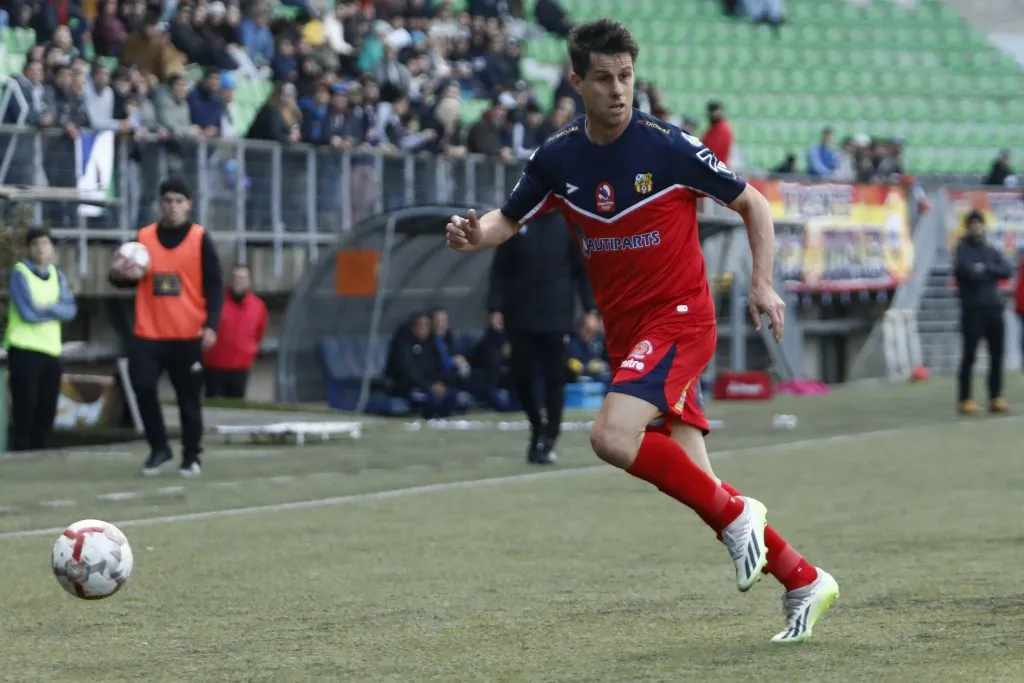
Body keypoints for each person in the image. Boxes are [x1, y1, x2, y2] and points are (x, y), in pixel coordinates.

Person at [445, 18, 837, 643]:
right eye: (603, 79)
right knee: (700, 483)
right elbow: (505, 219)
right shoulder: (556, 159)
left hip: (681, 320)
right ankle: (804, 578)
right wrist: (475, 235)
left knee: (610, 437)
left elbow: (753, 203)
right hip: (630, 337)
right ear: (576, 82)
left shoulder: (669, 146)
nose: (618, 90)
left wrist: (763, 283)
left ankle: (741, 519)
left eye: (625, 77)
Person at [110, 177, 224, 477]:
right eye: (167, 201)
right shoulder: (144, 237)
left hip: (187, 334)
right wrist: (120, 273)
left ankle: (191, 456)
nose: (172, 207)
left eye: (178, 201)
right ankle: (159, 448)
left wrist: (211, 324)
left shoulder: (200, 238)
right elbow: (124, 281)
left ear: (189, 205)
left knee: (188, 400)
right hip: (149, 332)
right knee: (143, 387)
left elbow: (214, 285)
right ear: (160, 204)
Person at [487, 210, 599, 464]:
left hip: (556, 317)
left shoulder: (568, 224)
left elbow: (582, 271)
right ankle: (537, 423)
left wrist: (590, 309)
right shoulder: (516, 222)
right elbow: (500, 269)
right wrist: (494, 306)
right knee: (521, 376)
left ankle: (550, 436)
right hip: (520, 316)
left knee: (554, 379)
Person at [4, 228, 77, 451]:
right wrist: (56, 309)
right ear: (29, 248)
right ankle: (22, 451)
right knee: (25, 407)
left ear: (51, 247)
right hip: (24, 348)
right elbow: (28, 313)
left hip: (51, 350)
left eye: (45, 244)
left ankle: (41, 452)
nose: (41, 248)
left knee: (47, 407)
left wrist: (48, 306)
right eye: (36, 244)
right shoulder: (20, 273)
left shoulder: (58, 275)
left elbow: (70, 310)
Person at [954, 209, 1012, 415]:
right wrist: (988, 270)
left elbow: (1006, 269)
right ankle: (965, 399)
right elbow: (966, 271)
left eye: (979, 223)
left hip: (994, 309)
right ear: (968, 227)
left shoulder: (990, 250)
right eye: (973, 223)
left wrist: (985, 268)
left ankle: (995, 396)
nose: (976, 226)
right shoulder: (962, 249)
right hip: (973, 310)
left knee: (997, 354)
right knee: (969, 356)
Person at [203, 265, 268, 399]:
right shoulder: (217, 302)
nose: (239, 282)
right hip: (215, 365)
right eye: (236, 278)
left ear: (249, 281)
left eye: (243, 278)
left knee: (237, 403)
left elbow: (259, 331)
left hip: (241, 366)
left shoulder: (258, 305)